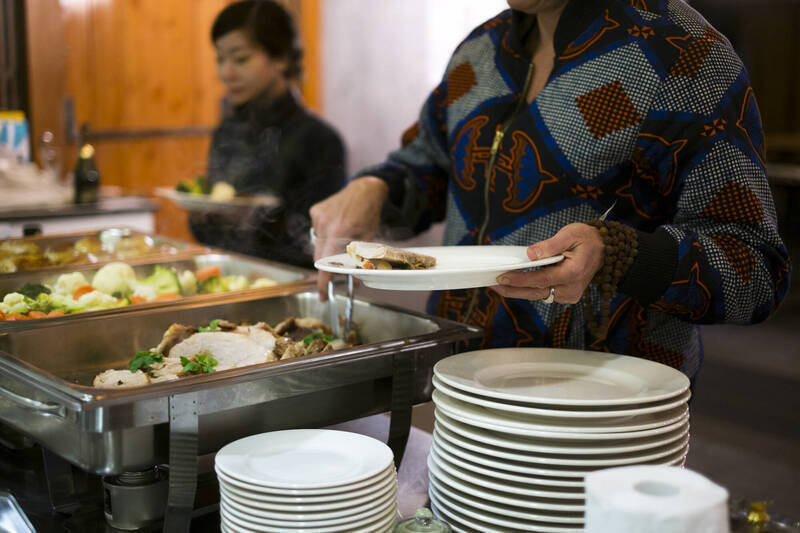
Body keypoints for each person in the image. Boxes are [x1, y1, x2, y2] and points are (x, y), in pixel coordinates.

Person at [310, 0, 791, 379]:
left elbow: (756, 270)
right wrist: (377, 187)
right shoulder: (480, 49)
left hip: (604, 403)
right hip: (463, 380)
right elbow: (429, 168)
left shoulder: (684, 55)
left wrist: (618, 255)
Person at [190, 0, 346, 267]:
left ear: (281, 58)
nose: (225, 72)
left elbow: (325, 243)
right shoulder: (226, 132)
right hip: (228, 280)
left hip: (292, 289)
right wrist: (202, 216)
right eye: (220, 59)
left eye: (240, 59)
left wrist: (254, 222)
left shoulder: (318, 139)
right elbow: (207, 230)